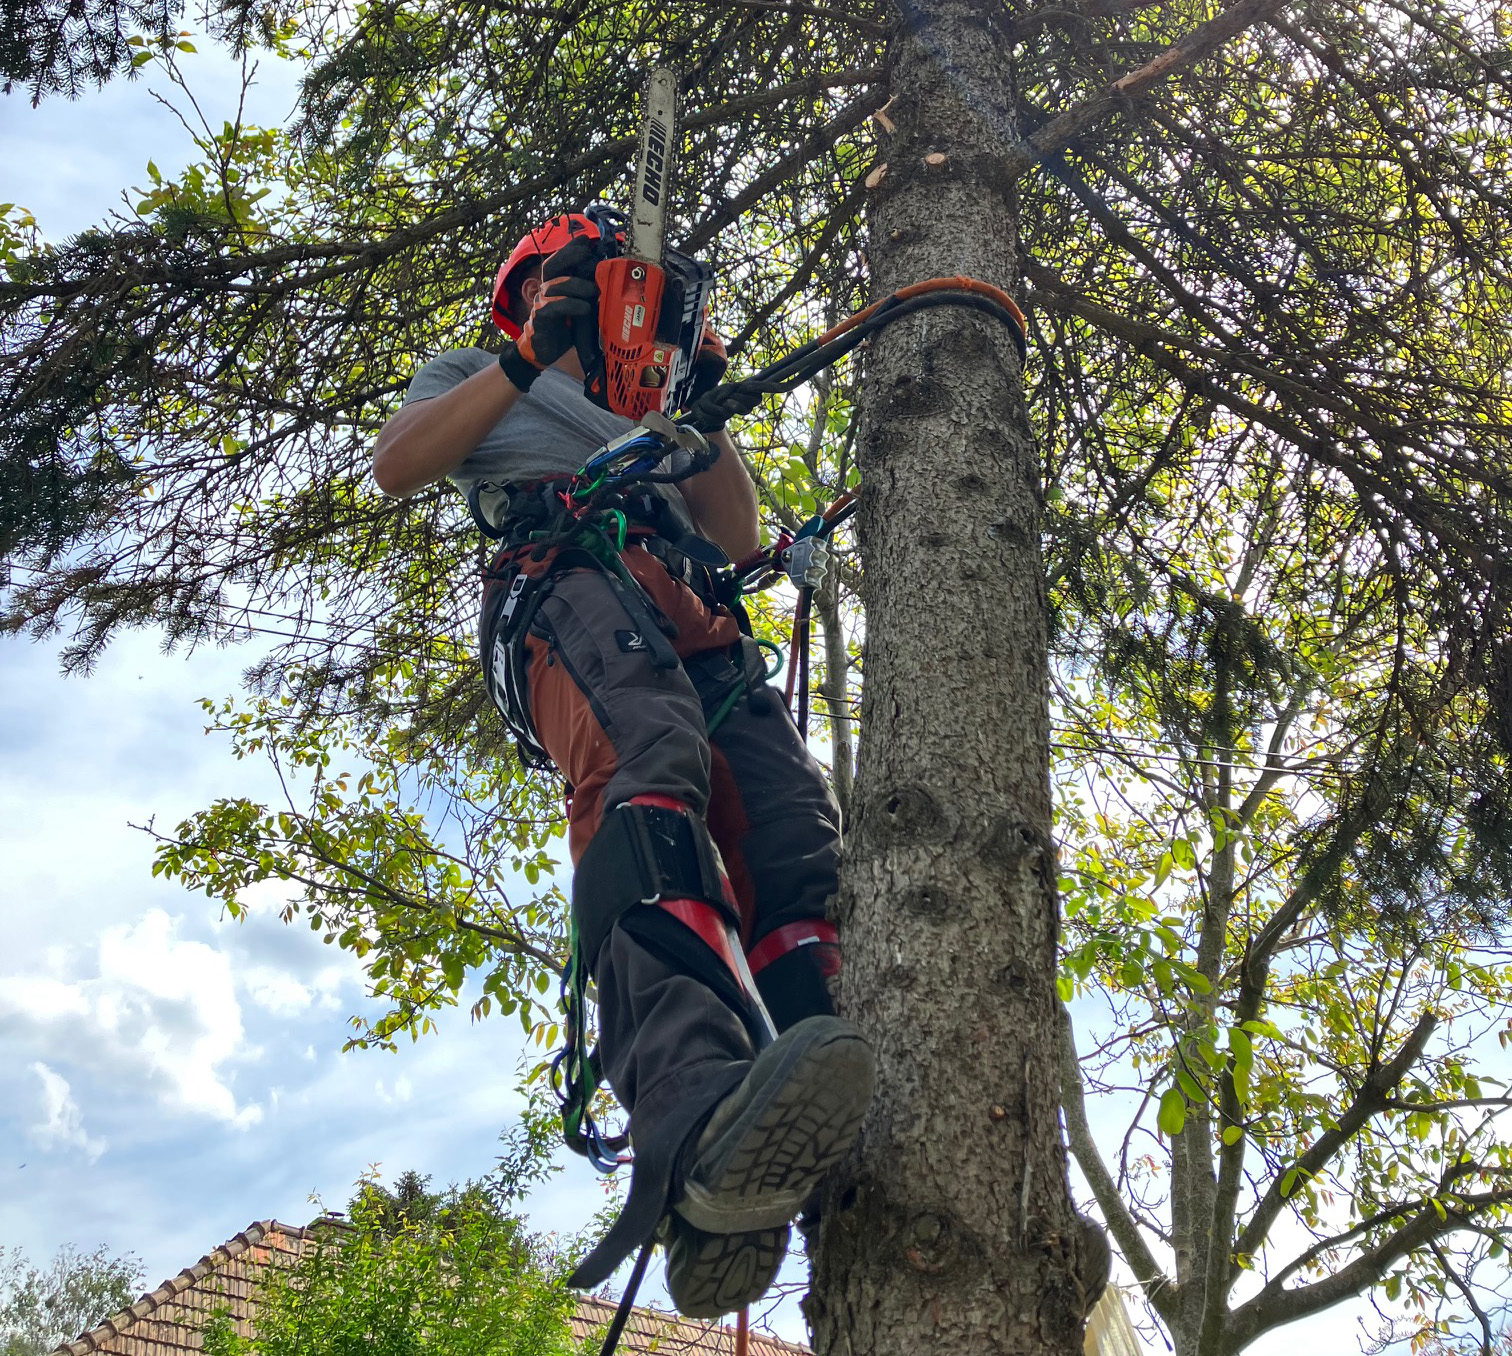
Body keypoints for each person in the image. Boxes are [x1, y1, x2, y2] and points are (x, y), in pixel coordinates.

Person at [371, 212, 875, 1319]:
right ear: (533, 297)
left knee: (793, 831)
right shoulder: (478, 372)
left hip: (688, 597)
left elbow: (738, 538)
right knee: (649, 764)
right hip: (567, 581)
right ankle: (690, 1111)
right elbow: (398, 464)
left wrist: (698, 401)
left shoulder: (647, 415)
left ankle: (812, 1140)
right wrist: (527, 358)